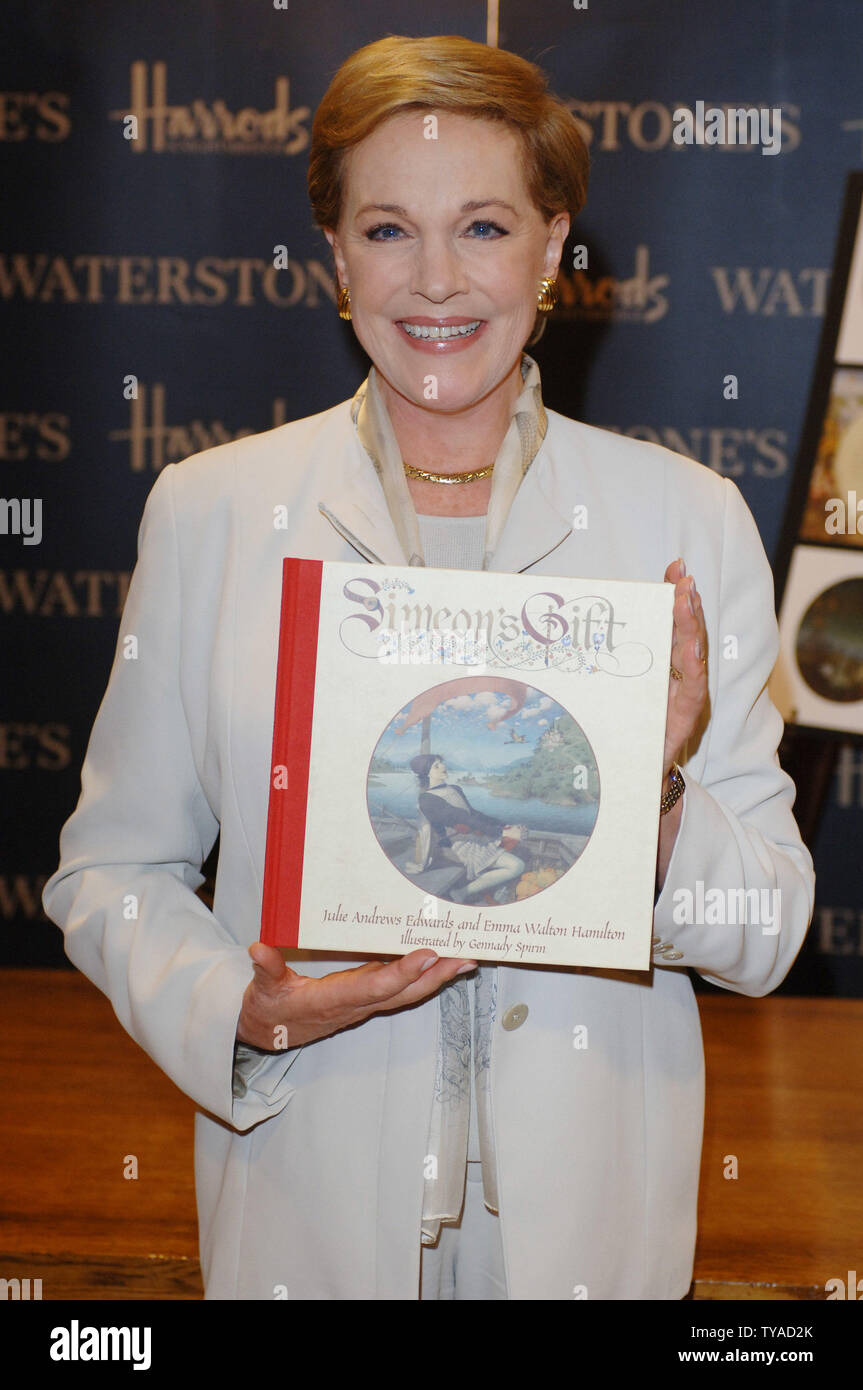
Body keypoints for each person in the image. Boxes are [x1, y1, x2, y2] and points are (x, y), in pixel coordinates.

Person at [42, 34, 815, 1300]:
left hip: (590, 1233)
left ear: (552, 249)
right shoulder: (214, 512)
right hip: (303, 1195)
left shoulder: (683, 521)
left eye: (484, 227)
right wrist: (243, 1008)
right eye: (389, 229)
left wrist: (647, 791)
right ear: (335, 258)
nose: (437, 279)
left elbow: (768, 928)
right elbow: (110, 871)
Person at [407, 752, 525, 902]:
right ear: (426, 774)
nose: (443, 766)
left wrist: (503, 825)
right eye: (436, 766)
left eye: (441, 763)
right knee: (517, 866)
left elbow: (473, 814)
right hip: (456, 846)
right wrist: (501, 832)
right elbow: (462, 818)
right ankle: (462, 892)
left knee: (516, 858)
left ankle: (471, 890)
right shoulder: (427, 800)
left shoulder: (455, 789)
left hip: (473, 838)